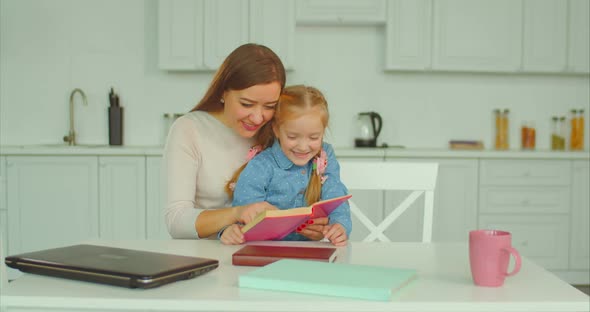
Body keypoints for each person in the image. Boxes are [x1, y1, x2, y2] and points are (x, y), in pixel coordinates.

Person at [162, 43, 287, 239]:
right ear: (222, 92)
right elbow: (176, 221)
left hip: (264, 251)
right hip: (205, 255)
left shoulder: (278, 133)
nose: (257, 118)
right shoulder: (189, 130)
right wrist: (237, 213)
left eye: (269, 106)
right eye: (247, 104)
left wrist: (311, 226)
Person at [220, 85, 352, 246]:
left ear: (323, 132)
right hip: (264, 251)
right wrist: (229, 231)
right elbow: (244, 213)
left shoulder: (325, 155)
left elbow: (335, 194)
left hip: (308, 252)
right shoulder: (262, 165)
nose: (303, 147)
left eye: (314, 137)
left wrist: (340, 225)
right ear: (276, 129)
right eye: (292, 136)